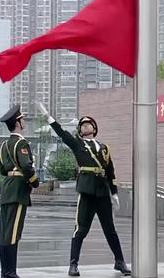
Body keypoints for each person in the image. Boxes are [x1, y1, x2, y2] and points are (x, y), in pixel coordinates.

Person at [36, 102, 131, 277]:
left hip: (102, 192)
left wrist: (114, 193)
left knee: (110, 230)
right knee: (80, 229)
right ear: (80, 130)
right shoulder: (78, 144)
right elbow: (62, 133)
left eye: (88, 124)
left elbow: (110, 172)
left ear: (94, 128)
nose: (86, 126)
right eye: (83, 125)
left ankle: (120, 262)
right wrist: (48, 117)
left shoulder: (104, 148)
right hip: (87, 191)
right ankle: (73, 264)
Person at [0, 104, 39, 278]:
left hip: (7, 189)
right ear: (17, 123)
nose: (24, 122)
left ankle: (4, 271)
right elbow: (26, 166)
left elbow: (2, 169)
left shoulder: (4, 145)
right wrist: (34, 182)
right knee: (14, 232)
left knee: (4, 232)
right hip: (18, 190)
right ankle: (11, 272)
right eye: (22, 119)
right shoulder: (21, 143)